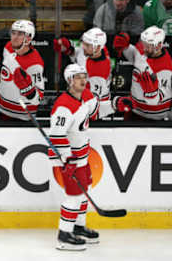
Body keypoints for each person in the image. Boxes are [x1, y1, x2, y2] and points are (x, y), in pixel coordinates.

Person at [48, 63, 132, 250]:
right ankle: (64, 235)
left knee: (84, 191)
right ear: (70, 81)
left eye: (84, 76)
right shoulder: (63, 106)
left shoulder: (86, 96)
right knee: (74, 196)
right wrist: (66, 160)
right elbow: (56, 136)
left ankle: (78, 227)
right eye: (78, 77)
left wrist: (115, 104)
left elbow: (96, 112)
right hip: (70, 160)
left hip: (83, 156)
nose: (83, 80)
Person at [113, 26, 172, 120]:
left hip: (154, 117)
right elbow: (136, 57)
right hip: (134, 110)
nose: (144, 48)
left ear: (158, 45)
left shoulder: (165, 67)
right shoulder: (146, 52)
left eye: (148, 45)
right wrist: (125, 47)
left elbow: (161, 97)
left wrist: (152, 94)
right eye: (143, 44)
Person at [0, 20, 44, 121]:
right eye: (13, 33)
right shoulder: (8, 47)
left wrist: (29, 90)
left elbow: (38, 99)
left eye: (20, 34)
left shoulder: (35, 64)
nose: (14, 37)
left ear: (28, 38)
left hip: (19, 116)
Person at [54, 28, 111, 103]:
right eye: (83, 43)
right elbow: (77, 54)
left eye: (86, 45)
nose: (83, 47)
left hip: (92, 106)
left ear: (97, 47)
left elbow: (92, 102)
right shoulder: (92, 52)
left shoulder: (99, 71)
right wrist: (67, 48)